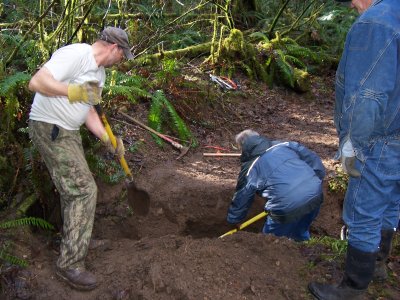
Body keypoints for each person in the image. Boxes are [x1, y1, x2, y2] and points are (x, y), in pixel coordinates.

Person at [28, 27, 133, 291]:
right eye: (123, 55)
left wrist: (108, 140)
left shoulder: (100, 74)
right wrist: (73, 91)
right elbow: (37, 82)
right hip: (49, 127)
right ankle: (69, 264)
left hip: (68, 132)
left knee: (74, 190)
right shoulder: (77, 54)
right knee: (83, 191)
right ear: (113, 48)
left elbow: (88, 110)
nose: (122, 61)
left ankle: (77, 238)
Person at [308, 1, 400, 299]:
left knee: (365, 209)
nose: (350, 3)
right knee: (391, 199)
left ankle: (353, 288)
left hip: (381, 137)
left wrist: (352, 145)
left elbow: (367, 95)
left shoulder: (375, 24)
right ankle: (377, 264)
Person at [226, 130, 325, 242]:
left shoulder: (250, 168)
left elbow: (242, 196)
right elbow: (314, 161)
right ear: (259, 138)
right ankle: (303, 252)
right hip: (315, 193)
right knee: (300, 234)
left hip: (285, 206)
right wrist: (315, 180)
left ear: (243, 148)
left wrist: (234, 220)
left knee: (270, 243)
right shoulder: (285, 145)